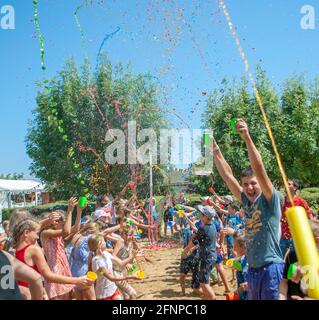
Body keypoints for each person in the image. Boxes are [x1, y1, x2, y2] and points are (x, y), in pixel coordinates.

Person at [212, 118, 284, 300]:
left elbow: (259, 170)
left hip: (270, 268)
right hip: (252, 269)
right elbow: (228, 177)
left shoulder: (270, 200)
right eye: (246, 185)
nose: (249, 188)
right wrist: (215, 151)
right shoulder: (245, 201)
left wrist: (247, 137)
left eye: (253, 184)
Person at [10, 210, 93, 300]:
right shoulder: (33, 249)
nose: (38, 237)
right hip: (31, 294)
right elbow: (48, 276)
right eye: (36, 234)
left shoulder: (11, 252)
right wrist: (78, 280)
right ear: (26, 233)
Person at [39, 197, 84, 300]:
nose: (64, 225)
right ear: (54, 222)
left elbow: (76, 229)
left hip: (64, 268)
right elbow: (66, 231)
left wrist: (79, 211)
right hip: (55, 271)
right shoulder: (46, 233)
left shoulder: (57, 235)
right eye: (62, 223)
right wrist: (69, 210)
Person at [88, 234, 141, 300]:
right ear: (99, 245)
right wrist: (131, 276)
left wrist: (132, 256)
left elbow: (121, 264)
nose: (105, 242)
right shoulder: (97, 261)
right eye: (104, 241)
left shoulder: (106, 254)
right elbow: (111, 278)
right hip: (103, 294)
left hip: (113, 290)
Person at [182, 205, 217, 300]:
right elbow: (199, 233)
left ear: (206, 216)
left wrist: (185, 252)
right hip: (212, 256)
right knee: (205, 279)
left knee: (203, 282)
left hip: (206, 257)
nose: (200, 215)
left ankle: (212, 298)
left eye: (201, 214)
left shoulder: (203, 229)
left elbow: (194, 243)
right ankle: (206, 297)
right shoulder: (212, 226)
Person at [279, 220, 319, 300]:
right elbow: (285, 281)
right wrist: (282, 295)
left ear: (317, 241)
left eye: (302, 241)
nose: (297, 245)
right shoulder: (292, 255)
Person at [280, 178, 312, 256]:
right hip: (282, 236)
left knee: (293, 260)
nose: (286, 185)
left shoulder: (301, 201)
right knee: (279, 259)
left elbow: (309, 217)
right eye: (285, 184)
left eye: (289, 184)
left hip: (296, 237)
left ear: (295, 188)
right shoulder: (281, 201)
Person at [233, 236, 248, 300]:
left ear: (243, 247)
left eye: (236, 246)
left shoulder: (247, 262)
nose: (234, 249)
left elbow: (248, 284)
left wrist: (238, 290)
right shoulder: (243, 259)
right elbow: (232, 264)